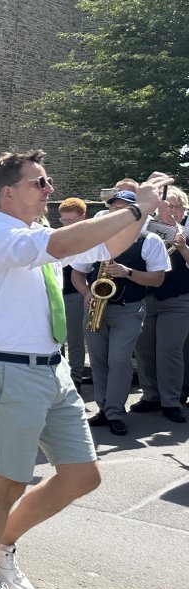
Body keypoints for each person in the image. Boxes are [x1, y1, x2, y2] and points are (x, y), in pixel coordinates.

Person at [0, 150, 172, 589]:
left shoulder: (35, 235)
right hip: (11, 370)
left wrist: (144, 211)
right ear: (8, 193)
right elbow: (64, 244)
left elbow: (108, 246)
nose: (50, 189)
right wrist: (134, 205)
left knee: (82, 476)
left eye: (48, 180)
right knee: (7, 482)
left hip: (51, 369)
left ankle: (0, 543)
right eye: (39, 182)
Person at [71, 189, 168, 436]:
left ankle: (115, 412)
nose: (117, 212)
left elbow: (157, 279)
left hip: (128, 309)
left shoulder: (149, 240)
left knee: (118, 359)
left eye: (123, 208)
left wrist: (128, 272)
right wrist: (87, 293)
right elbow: (77, 274)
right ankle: (104, 409)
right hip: (96, 307)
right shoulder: (97, 238)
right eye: (114, 208)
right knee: (98, 360)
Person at [131, 186, 189, 424]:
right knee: (144, 349)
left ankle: (171, 401)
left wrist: (183, 247)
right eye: (168, 206)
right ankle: (151, 396)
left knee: (169, 350)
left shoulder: (187, 232)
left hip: (177, 300)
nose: (173, 211)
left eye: (178, 207)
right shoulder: (146, 232)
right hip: (147, 297)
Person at [56, 198, 89, 389]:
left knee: (75, 339)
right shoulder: (58, 236)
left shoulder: (89, 237)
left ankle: (75, 377)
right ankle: (58, 375)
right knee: (56, 338)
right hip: (57, 293)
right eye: (63, 220)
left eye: (70, 220)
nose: (66, 224)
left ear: (82, 217)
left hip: (75, 293)